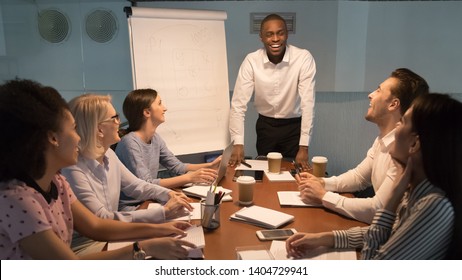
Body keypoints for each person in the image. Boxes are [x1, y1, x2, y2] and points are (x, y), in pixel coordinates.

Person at [0, 79, 195, 259]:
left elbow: (97, 226)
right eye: (73, 129)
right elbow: (69, 269)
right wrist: (142, 247)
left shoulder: (57, 182)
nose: (79, 137)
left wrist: (163, 229)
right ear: (53, 138)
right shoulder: (18, 200)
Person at [286, 93, 461, 260]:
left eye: (403, 122)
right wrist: (324, 238)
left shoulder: (432, 205)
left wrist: (392, 199)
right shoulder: (417, 192)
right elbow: (387, 233)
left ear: (414, 144)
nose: (396, 128)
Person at [296, 68, 429, 223]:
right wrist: (323, 183)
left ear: (393, 104)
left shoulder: (403, 151)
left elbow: (377, 209)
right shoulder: (383, 139)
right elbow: (359, 177)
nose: (370, 94)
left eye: (379, 90)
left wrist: (323, 196)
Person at [228, 13, 316, 170]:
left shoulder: (303, 58)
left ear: (287, 34)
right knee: (267, 173)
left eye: (280, 33)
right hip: (265, 127)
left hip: (293, 127)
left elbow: (308, 104)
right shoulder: (251, 61)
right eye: (269, 34)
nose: (275, 39)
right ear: (261, 37)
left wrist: (304, 147)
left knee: (293, 174)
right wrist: (238, 143)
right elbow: (238, 104)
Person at [115, 88, 220, 189]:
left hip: (151, 198)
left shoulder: (155, 138)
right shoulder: (129, 143)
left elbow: (177, 167)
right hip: (134, 205)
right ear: (147, 112)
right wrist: (189, 178)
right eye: (159, 103)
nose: (165, 108)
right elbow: (146, 184)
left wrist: (210, 165)